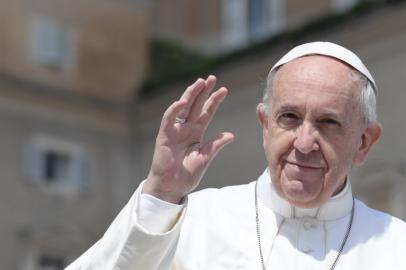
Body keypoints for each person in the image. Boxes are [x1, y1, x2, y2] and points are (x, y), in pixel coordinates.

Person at [66, 42, 406, 270]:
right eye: (288, 118)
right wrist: (160, 194)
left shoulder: (397, 248)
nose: (304, 143)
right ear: (265, 126)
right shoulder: (191, 221)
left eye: (328, 122)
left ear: (364, 142)